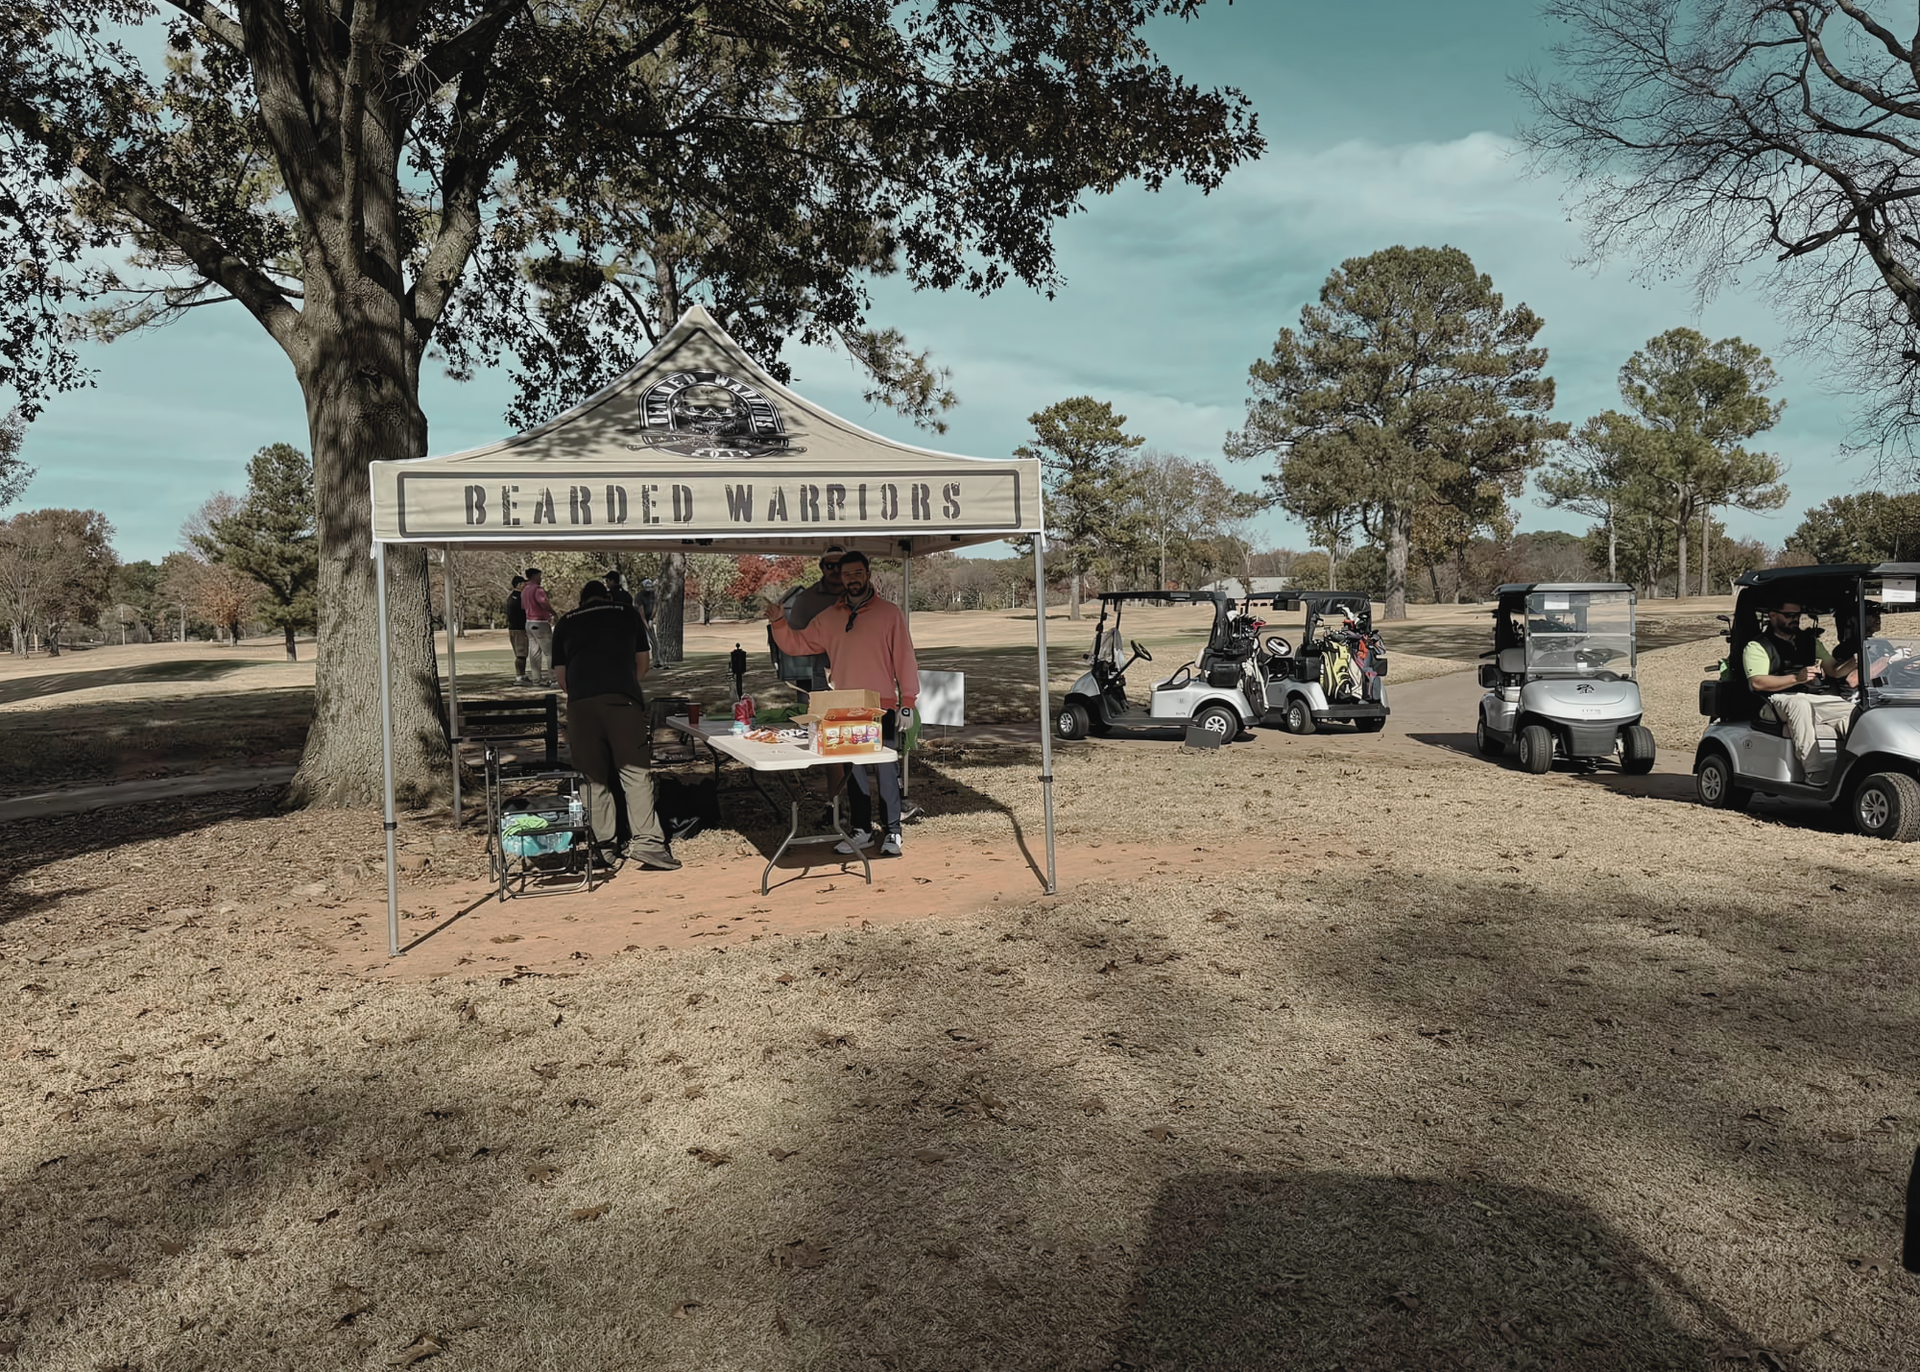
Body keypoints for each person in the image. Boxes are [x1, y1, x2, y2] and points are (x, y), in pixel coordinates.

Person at [766, 549, 920, 856]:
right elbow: (797, 644)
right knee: (854, 771)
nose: (851, 579)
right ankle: (861, 830)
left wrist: (908, 701)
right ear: (840, 578)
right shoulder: (828, 618)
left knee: (886, 769)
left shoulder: (889, 614)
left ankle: (892, 831)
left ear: (867, 574)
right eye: (845, 574)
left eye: (856, 573)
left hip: (881, 705)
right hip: (845, 707)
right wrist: (778, 622)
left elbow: (905, 658)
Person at [553, 581, 680, 871]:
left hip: (581, 706)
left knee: (592, 778)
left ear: (581, 600)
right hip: (623, 702)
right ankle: (649, 845)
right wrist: (622, 685)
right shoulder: (626, 613)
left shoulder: (565, 623)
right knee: (635, 773)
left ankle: (603, 848)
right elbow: (643, 664)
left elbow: (563, 680)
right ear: (607, 597)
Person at [1742, 598, 1852, 785]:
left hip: (1812, 698)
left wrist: (1854, 663)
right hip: (1774, 701)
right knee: (1799, 705)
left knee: (1853, 711)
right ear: (1773, 615)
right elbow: (1758, 682)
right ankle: (1814, 771)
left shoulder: (1810, 642)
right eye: (1789, 615)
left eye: (1798, 615)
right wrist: (1796, 678)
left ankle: (1853, 768)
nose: (1795, 619)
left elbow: (1834, 670)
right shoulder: (1758, 646)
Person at [771, 547, 844, 699]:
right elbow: (794, 638)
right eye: (831, 566)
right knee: (823, 716)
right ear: (823, 568)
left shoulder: (861, 595)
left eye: (841, 565)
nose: (836, 570)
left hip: (861, 666)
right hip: (820, 668)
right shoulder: (806, 599)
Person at [1833, 606, 1894, 690]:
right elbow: (1853, 680)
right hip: (1865, 698)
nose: (1877, 618)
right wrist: (1889, 660)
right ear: (1853, 619)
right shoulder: (1844, 650)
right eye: (1871, 614)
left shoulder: (1882, 644)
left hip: (1889, 692)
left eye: (1878, 614)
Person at [521, 567, 556, 687]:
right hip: (540, 622)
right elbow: (544, 603)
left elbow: (523, 606)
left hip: (529, 622)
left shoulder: (524, 589)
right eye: (539, 576)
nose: (540, 579)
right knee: (550, 652)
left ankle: (537, 680)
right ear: (534, 576)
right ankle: (554, 678)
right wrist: (553, 612)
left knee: (534, 652)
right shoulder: (537, 589)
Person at [506, 574, 529, 685]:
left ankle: (522, 675)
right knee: (520, 654)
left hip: (519, 628)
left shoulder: (515, 597)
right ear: (519, 585)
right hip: (518, 628)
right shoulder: (516, 597)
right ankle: (519, 676)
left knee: (523, 653)